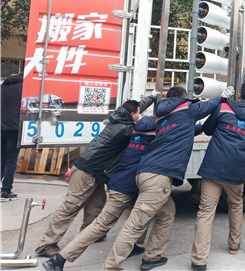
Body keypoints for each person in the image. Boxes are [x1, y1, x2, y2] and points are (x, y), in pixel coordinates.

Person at [103, 85, 230, 271]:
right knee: (135, 225)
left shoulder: (162, 116)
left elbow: (184, 128)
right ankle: (111, 267)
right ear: (183, 97)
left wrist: (201, 126)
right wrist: (222, 97)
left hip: (146, 171)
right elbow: (207, 106)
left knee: (167, 213)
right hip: (159, 175)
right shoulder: (186, 108)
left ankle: (152, 257)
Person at [35, 91, 158, 258]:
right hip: (86, 169)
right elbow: (143, 126)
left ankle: (90, 233)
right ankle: (46, 244)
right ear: (132, 115)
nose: (140, 115)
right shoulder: (124, 129)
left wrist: (151, 97)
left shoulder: (120, 117)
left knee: (97, 202)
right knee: (71, 206)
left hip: (96, 170)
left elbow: (136, 107)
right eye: (138, 113)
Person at [190, 82, 245, 271]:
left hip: (213, 167)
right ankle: (233, 245)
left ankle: (199, 260)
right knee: (236, 206)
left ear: (238, 95)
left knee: (206, 212)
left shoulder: (223, 108)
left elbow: (208, 129)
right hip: (236, 170)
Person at [1, 73, 23, 201]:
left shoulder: (3, 86)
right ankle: (5, 191)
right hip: (14, 128)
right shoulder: (24, 87)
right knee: (11, 160)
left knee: (2, 158)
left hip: (1, 127)